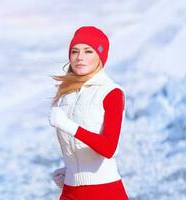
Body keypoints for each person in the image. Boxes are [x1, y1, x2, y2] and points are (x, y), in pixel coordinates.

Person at [48, 26, 129, 200]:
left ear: (100, 56)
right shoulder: (66, 93)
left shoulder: (111, 93)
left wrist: (67, 125)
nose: (79, 57)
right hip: (71, 190)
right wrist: (72, 170)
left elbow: (108, 148)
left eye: (88, 51)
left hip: (104, 191)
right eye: (75, 51)